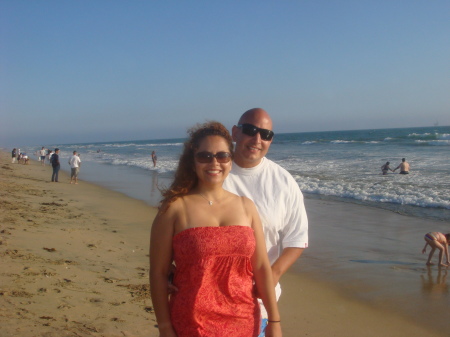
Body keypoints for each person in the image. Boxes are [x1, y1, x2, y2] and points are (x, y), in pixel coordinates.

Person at [150, 121, 282, 337]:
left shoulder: (246, 206)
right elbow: (158, 273)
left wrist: (274, 322)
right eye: (205, 156)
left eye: (222, 156)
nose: (214, 163)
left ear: (230, 161)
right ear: (192, 161)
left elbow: (261, 267)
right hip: (192, 324)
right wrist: (165, 327)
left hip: (245, 322)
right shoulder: (174, 209)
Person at [222, 108, 308, 336]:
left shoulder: (284, 182)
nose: (257, 139)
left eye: (266, 134)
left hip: (257, 307)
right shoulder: (212, 172)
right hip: (209, 300)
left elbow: (297, 238)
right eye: (250, 130)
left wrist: (273, 274)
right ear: (235, 132)